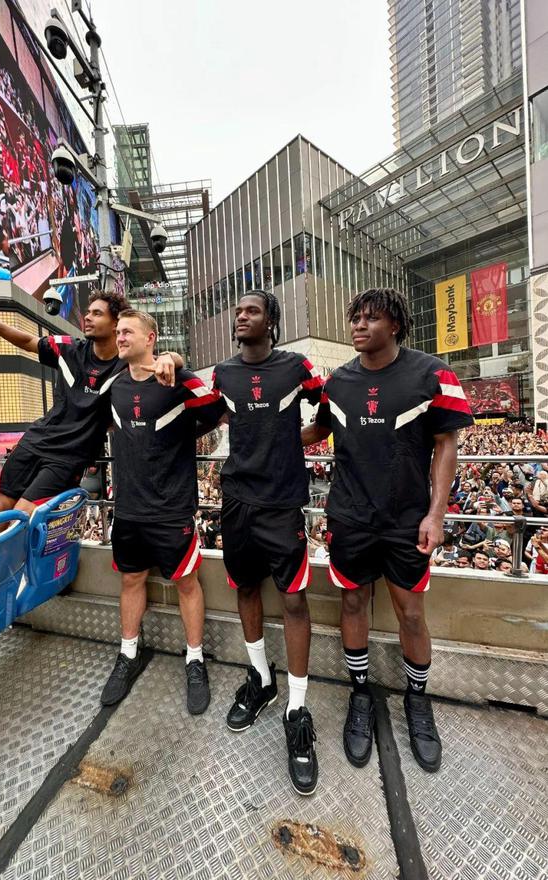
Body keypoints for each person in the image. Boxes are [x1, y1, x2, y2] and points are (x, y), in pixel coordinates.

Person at [303, 287, 473, 774]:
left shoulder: (432, 374)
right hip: (350, 517)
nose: (358, 325)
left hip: (406, 521)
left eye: (371, 318)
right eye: (355, 317)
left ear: (394, 325)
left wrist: (436, 514)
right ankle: (360, 694)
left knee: (411, 614)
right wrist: (265, 438)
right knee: (353, 603)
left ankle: (417, 700)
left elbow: (446, 445)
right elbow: (319, 431)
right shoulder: (338, 382)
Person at [0, 291, 182, 532]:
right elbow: (26, 340)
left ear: (115, 324)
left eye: (97, 313)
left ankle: (4, 557)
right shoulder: (70, 348)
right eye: (88, 312)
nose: (87, 317)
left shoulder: (127, 364)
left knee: (22, 518)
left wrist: (169, 357)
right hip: (35, 441)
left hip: (69, 458)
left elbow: (168, 361)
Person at [211, 290, 323, 796]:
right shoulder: (222, 374)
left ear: (271, 321)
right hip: (236, 500)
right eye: (238, 310)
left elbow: (327, 416)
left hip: (282, 504)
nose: (241, 315)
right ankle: (261, 679)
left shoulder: (297, 368)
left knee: (294, 600)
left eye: (252, 310)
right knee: (245, 588)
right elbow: (212, 415)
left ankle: (297, 708)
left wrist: (288, 443)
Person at [100, 310, 224, 715]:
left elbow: (218, 411)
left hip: (173, 509)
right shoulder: (114, 385)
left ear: (150, 338)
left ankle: (195, 659)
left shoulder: (178, 380)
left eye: (127, 332)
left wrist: (177, 361)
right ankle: (128, 654)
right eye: (118, 332)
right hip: (129, 508)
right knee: (131, 579)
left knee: (186, 583)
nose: (120, 337)